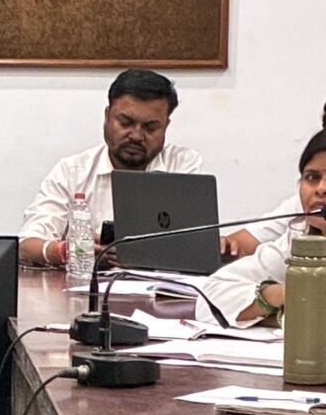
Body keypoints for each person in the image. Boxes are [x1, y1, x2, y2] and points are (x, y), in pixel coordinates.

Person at [19, 69, 203, 266]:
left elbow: (198, 245)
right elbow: (25, 245)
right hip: (86, 282)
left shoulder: (182, 165)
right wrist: (64, 251)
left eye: (150, 127)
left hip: (163, 285)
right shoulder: (72, 172)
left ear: (166, 125)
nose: (136, 136)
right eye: (125, 122)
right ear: (107, 116)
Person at [197, 130, 326, 327]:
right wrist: (281, 295)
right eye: (312, 177)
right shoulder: (299, 236)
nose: (321, 188)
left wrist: (279, 317)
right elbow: (209, 297)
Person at [222, 101, 326, 256]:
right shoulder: (305, 214)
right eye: (312, 177)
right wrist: (226, 248)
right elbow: (245, 245)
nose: (321, 188)